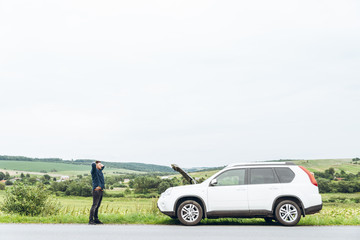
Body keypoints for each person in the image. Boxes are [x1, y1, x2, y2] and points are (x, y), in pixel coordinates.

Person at [89, 160, 105, 225]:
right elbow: (93, 164)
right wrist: (96, 163)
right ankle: (90, 220)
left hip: (100, 190)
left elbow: (103, 167)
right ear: (96, 166)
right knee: (94, 205)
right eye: (99, 165)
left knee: (97, 206)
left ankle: (96, 219)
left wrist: (100, 165)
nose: (101, 165)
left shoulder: (100, 171)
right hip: (96, 190)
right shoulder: (94, 171)